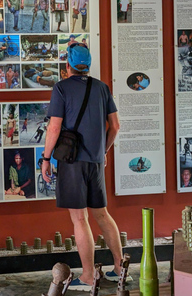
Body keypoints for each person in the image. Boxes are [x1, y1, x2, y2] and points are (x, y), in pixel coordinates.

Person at [42, 43, 129, 291]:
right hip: (95, 161)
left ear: (67, 65)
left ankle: (89, 276)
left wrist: (46, 159)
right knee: (102, 213)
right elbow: (115, 126)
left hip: (72, 162)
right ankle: (120, 269)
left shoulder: (61, 88)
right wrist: (104, 150)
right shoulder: (102, 87)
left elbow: (54, 128)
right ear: (87, 65)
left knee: (79, 217)